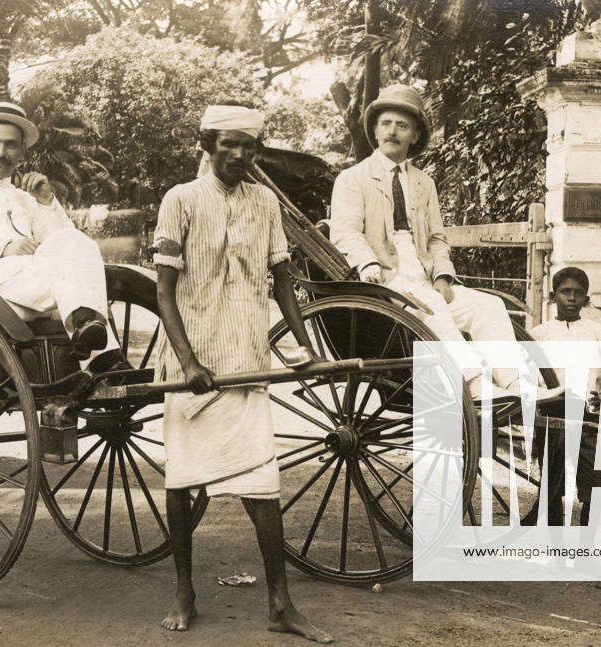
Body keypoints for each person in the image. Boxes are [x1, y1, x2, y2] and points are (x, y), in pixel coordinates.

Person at [151, 103, 332, 643]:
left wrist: (305, 348)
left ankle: (280, 603)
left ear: (257, 152)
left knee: (262, 484)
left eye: (247, 146)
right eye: (227, 144)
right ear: (208, 145)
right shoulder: (180, 200)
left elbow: (282, 281)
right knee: (183, 482)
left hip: (247, 359)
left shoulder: (265, 203)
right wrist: (188, 362)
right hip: (192, 363)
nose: (237, 154)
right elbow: (163, 291)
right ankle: (184, 591)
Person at [329, 84, 518, 398]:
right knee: (431, 306)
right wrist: (368, 264)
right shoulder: (352, 178)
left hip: (424, 275)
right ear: (375, 130)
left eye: (402, 126)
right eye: (386, 123)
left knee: (488, 306)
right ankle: (473, 384)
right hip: (383, 279)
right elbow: (346, 233)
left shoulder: (423, 182)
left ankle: (515, 383)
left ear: (414, 136)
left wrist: (443, 275)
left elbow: (437, 237)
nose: (393, 131)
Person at [0, 102, 126, 375]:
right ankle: (102, 354)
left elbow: (63, 243)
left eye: (10, 145)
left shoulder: (26, 199)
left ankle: (86, 325)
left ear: (21, 152)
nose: (1, 153)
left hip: (31, 291)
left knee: (76, 241)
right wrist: (3, 247)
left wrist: (46, 201)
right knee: (67, 274)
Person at [528, 267, 601, 526]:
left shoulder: (597, 332)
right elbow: (529, 375)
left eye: (578, 293)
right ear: (553, 296)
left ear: (586, 300)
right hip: (550, 414)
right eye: (565, 292)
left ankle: (585, 555)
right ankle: (557, 552)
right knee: (552, 488)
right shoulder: (539, 334)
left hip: (586, 414)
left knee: (594, 486)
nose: (571, 298)